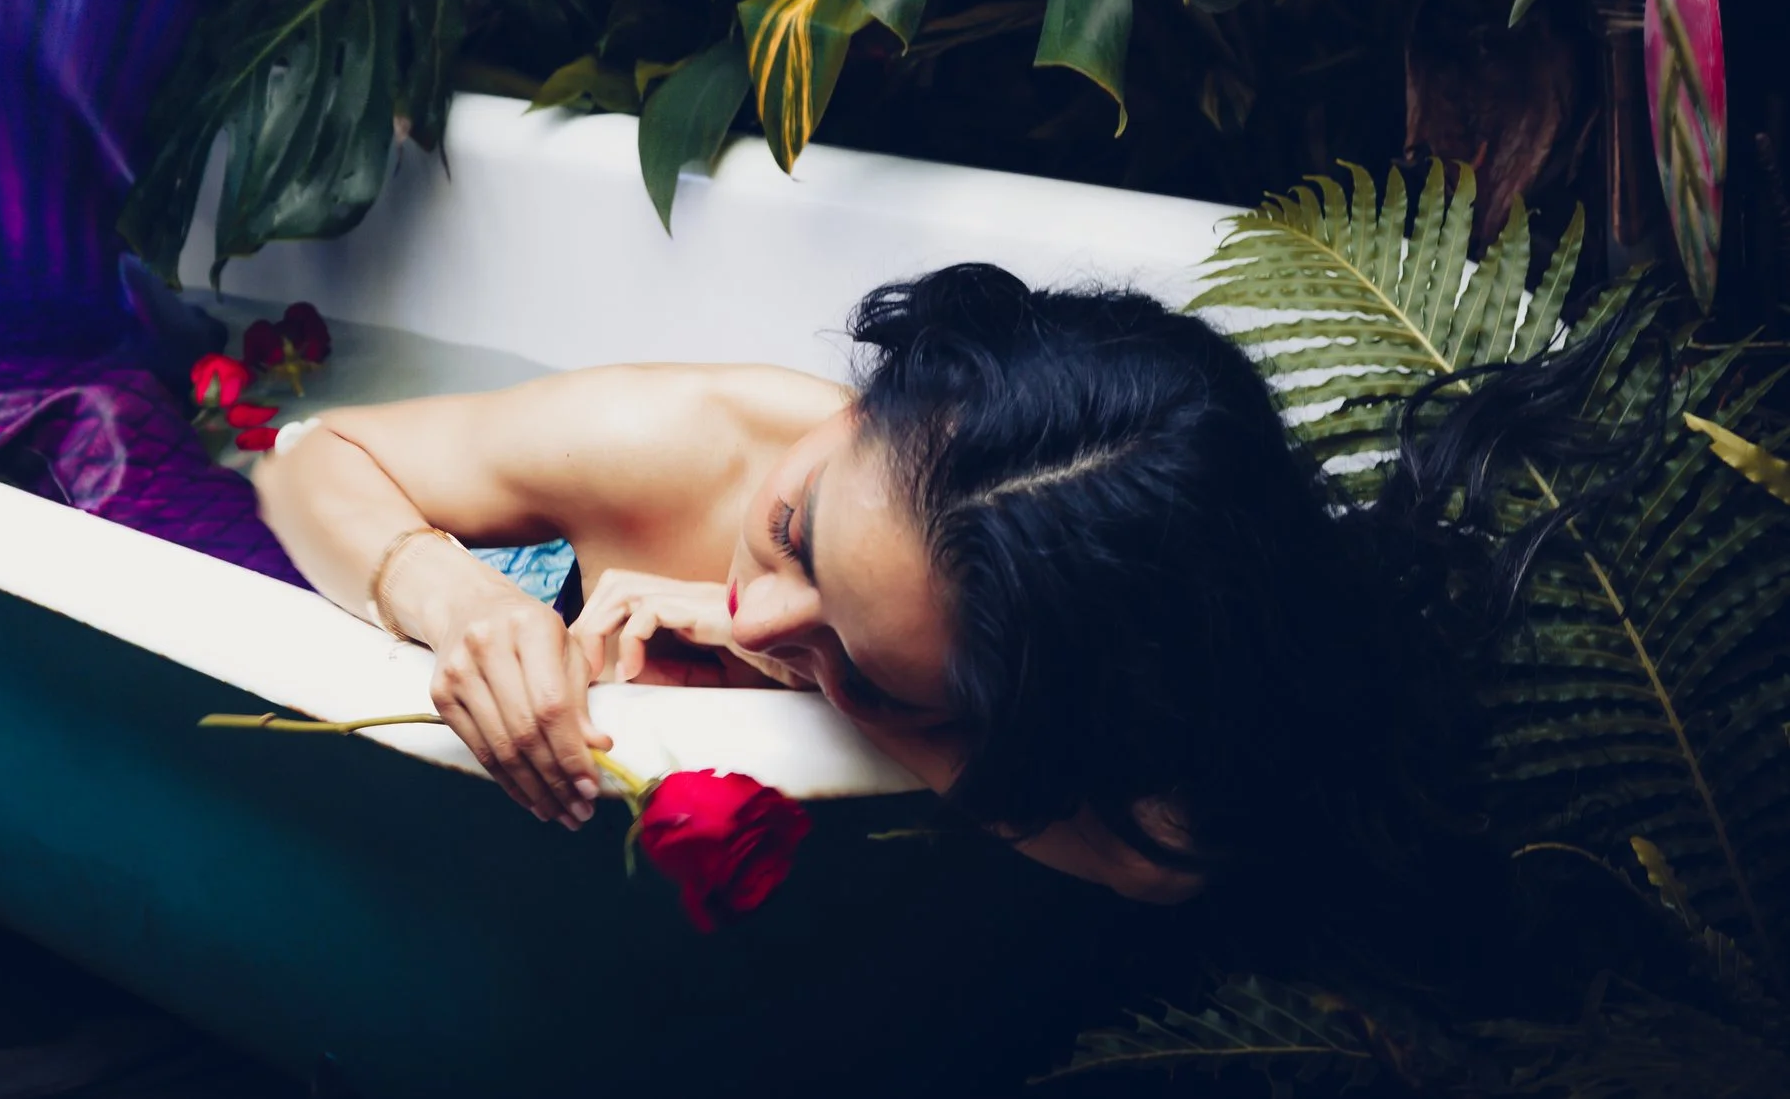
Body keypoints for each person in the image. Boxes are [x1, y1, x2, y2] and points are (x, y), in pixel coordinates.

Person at [258, 260, 1612, 926]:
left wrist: (868, 709)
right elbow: (312, 455)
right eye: (794, 529)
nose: (749, 611)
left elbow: (1164, 852)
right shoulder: (692, 440)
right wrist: (465, 603)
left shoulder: (1130, 708)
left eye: (873, 662)